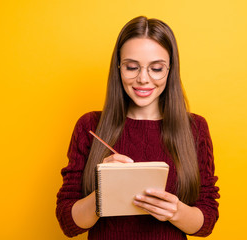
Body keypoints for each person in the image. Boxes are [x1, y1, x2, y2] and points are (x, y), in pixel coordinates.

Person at [56, 16, 220, 240]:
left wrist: (176, 211)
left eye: (156, 68)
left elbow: (206, 221)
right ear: (118, 68)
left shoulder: (195, 128)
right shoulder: (90, 126)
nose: (143, 78)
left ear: (170, 70)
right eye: (132, 67)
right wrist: (104, 189)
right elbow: (69, 223)